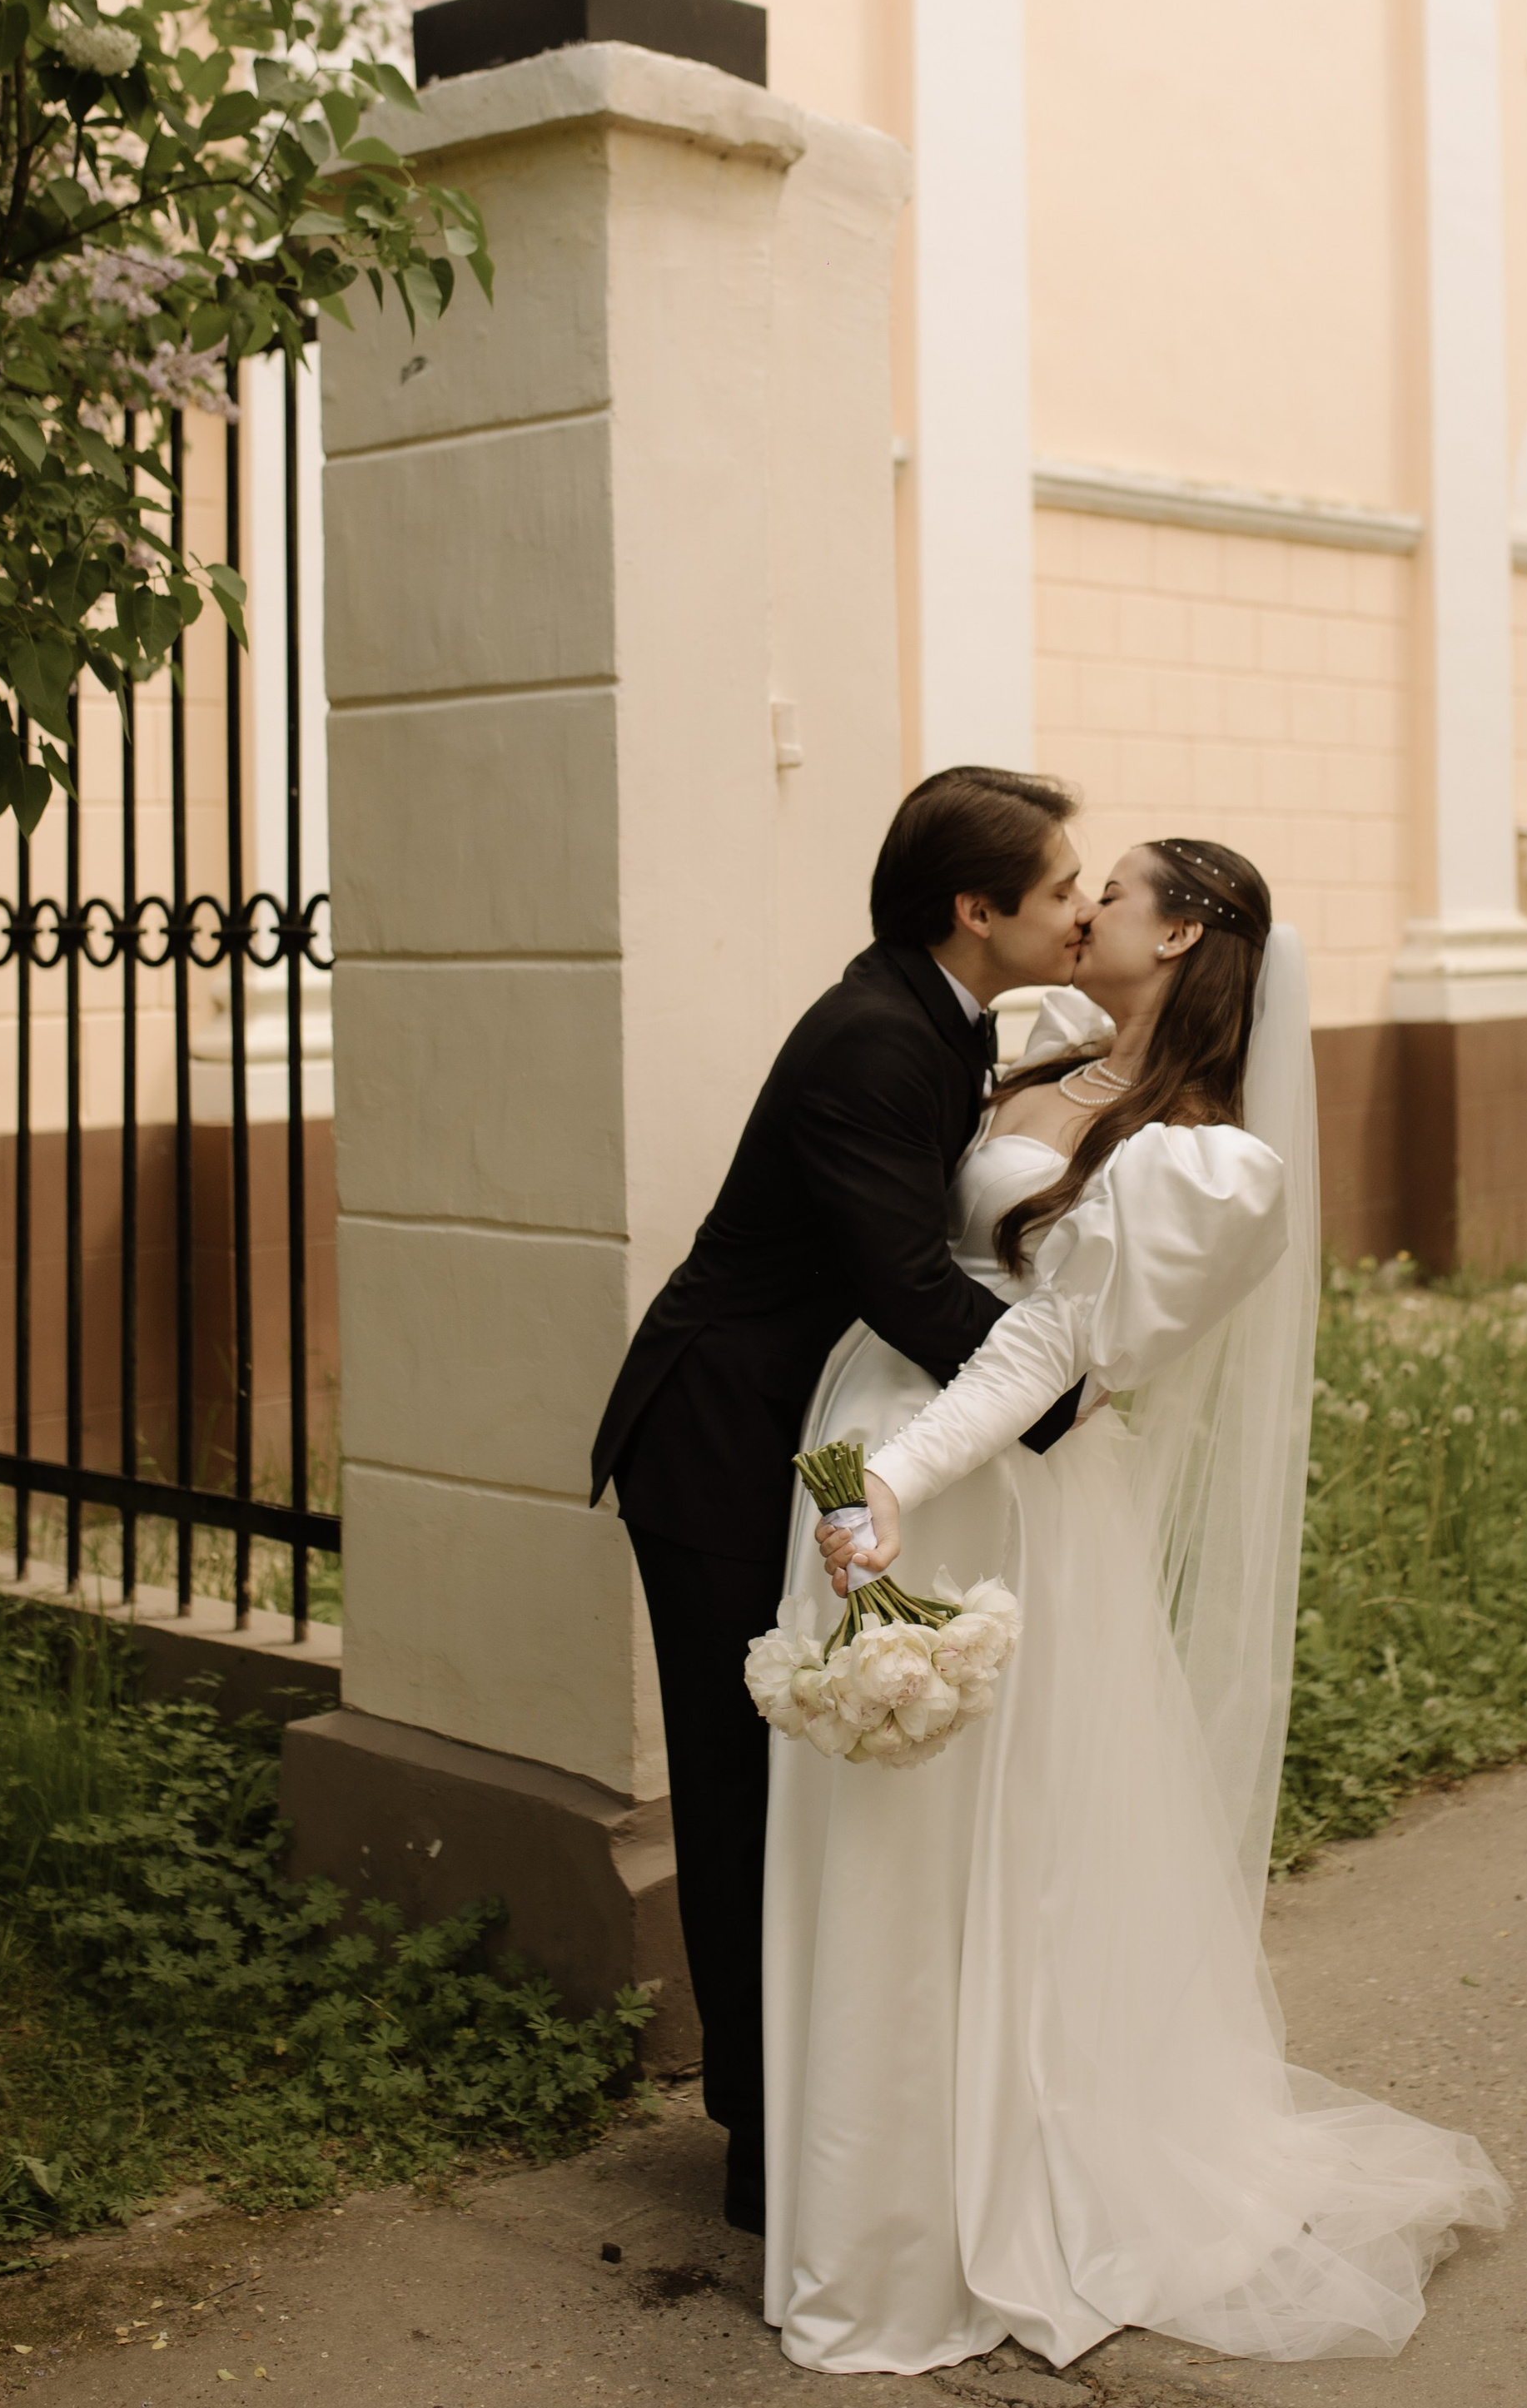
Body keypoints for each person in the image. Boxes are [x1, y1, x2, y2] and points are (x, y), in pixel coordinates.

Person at [764, 839, 1510, 2375]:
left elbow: (1055, 1350)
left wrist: (896, 1475)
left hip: (997, 1496)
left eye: (1112, 884)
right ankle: (875, 2192)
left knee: (996, 1843)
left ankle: (986, 2202)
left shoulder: (1209, 1162)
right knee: (888, 1847)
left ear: (1180, 935)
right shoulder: (1035, 1054)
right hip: (882, 1452)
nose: (1083, 902)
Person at [589, 766, 1095, 2236]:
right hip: (710, 1435)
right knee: (741, 1786)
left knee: (799, 1778)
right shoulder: (877, 1036)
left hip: (794, 1428)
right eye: (1060, 886)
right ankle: (759, 2147)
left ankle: (807, 2111)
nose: (1078, 905)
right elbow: (909, 1283)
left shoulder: (944, 1013)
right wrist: (1073, 1398)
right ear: (977, 905)